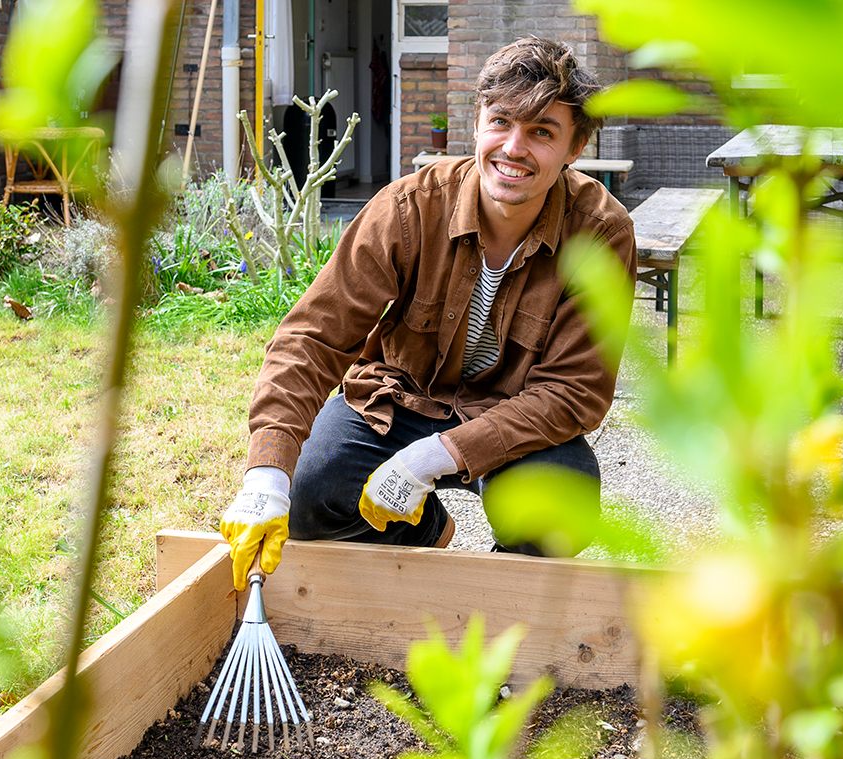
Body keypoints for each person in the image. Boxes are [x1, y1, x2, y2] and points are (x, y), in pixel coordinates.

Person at [220, 37, 637, 591]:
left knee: (558, 509)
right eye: (501, 122)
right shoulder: (409, 208)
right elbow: (312, 338)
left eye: (541, 132)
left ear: (575, 147)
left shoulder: (599, 232)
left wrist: (435, 457)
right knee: (312, 496)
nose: (513, 148)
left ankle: (496, 601)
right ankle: (424, 535)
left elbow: (573, 392)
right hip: (401, 395)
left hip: (517, 415)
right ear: (477, 124)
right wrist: (266, 473)